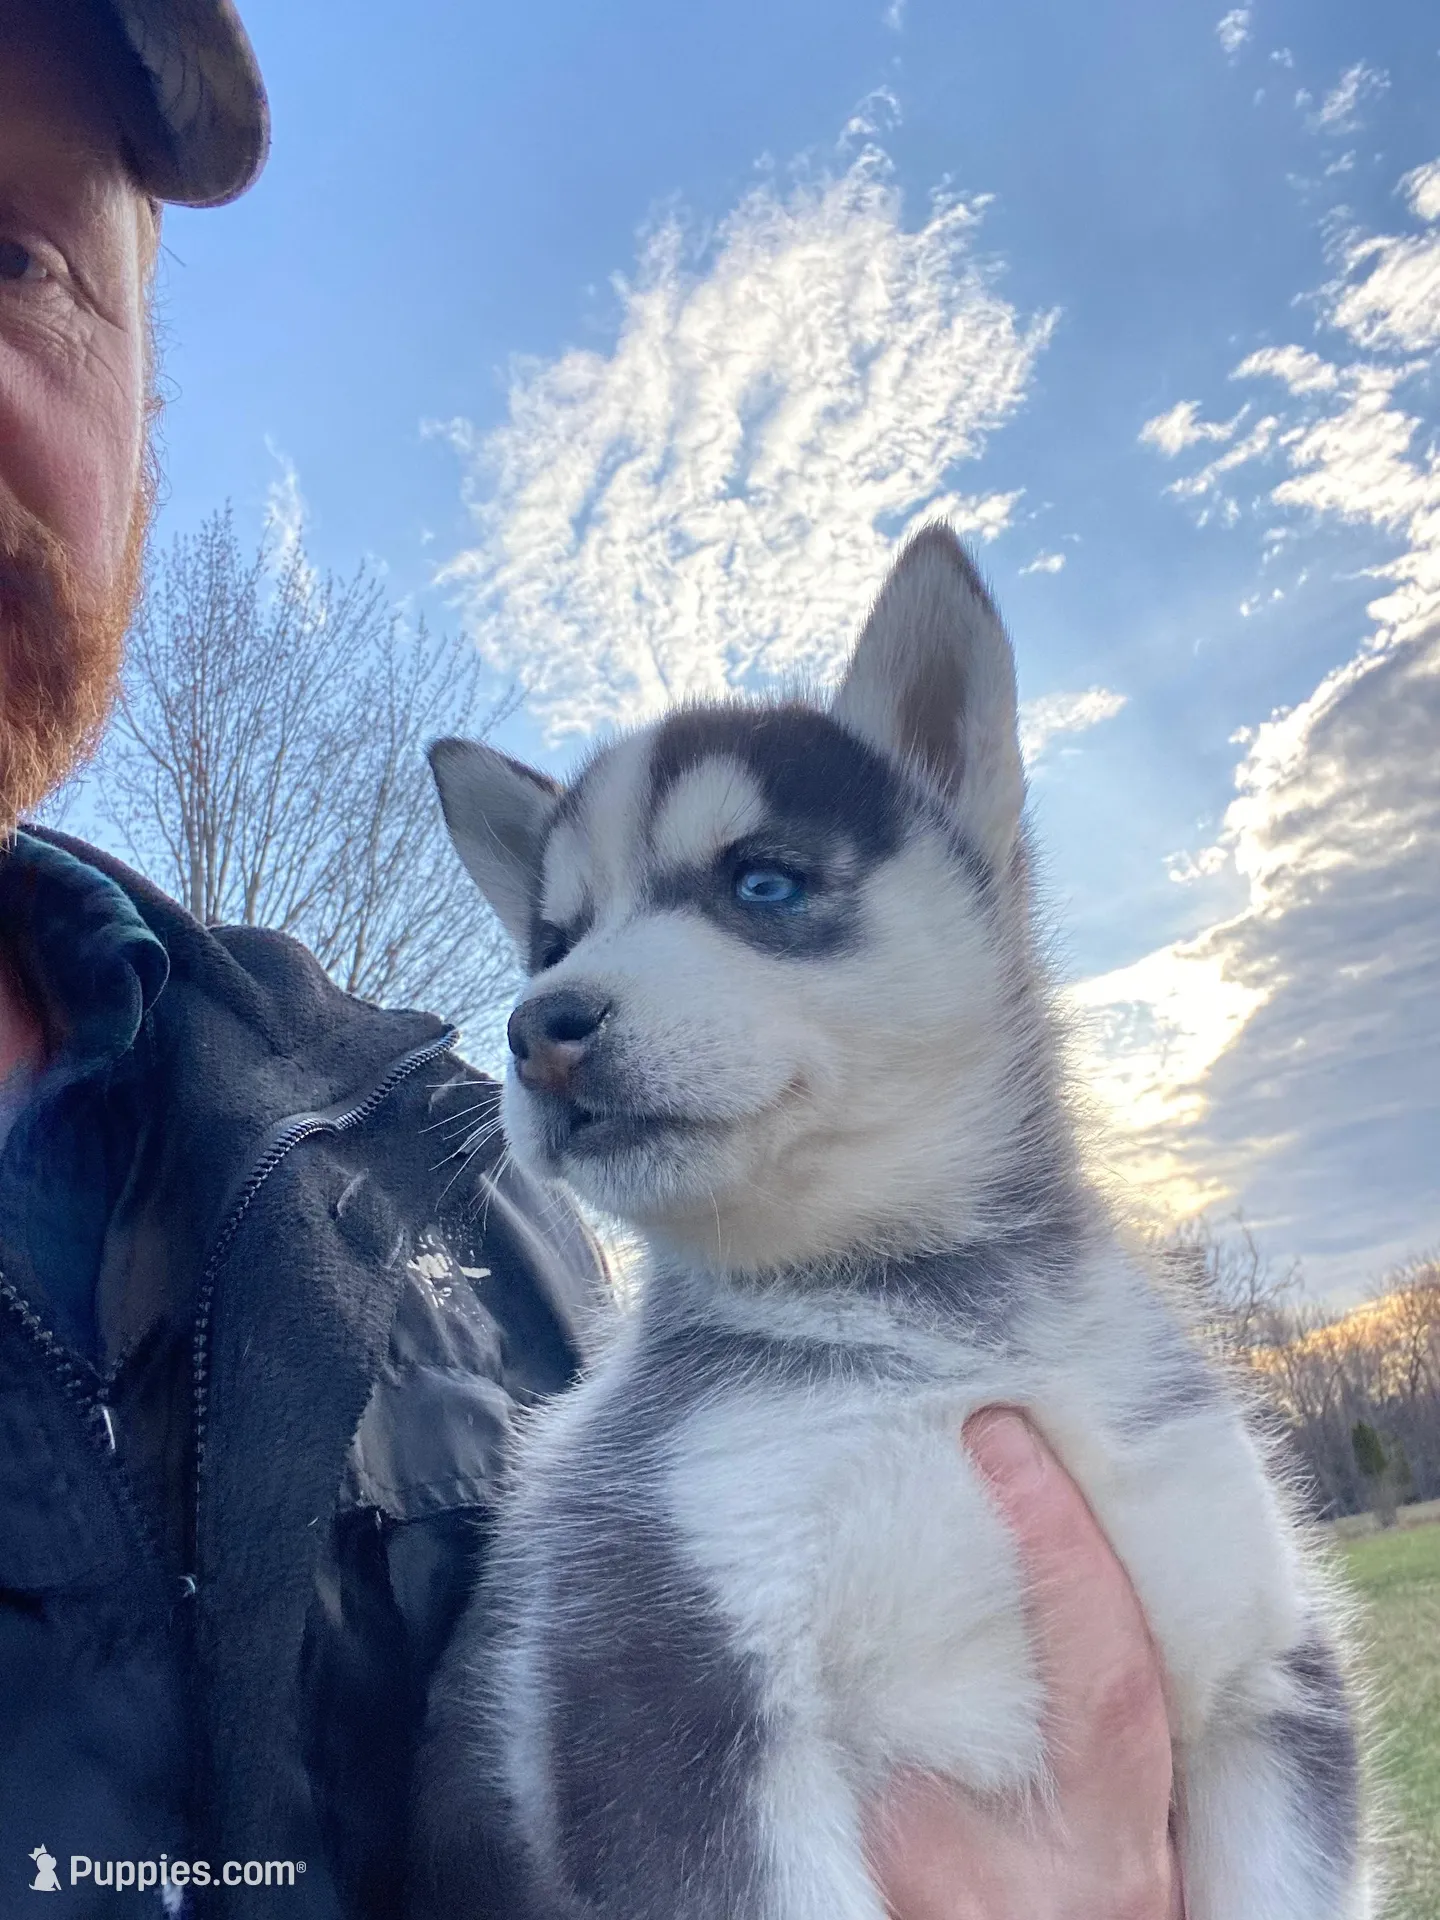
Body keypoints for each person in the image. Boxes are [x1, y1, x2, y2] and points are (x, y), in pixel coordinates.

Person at [0, 2, 1182, 1914]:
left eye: (14, 256)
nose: (577, 994)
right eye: (564, 933)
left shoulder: (464, 1211)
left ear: (145, 412)